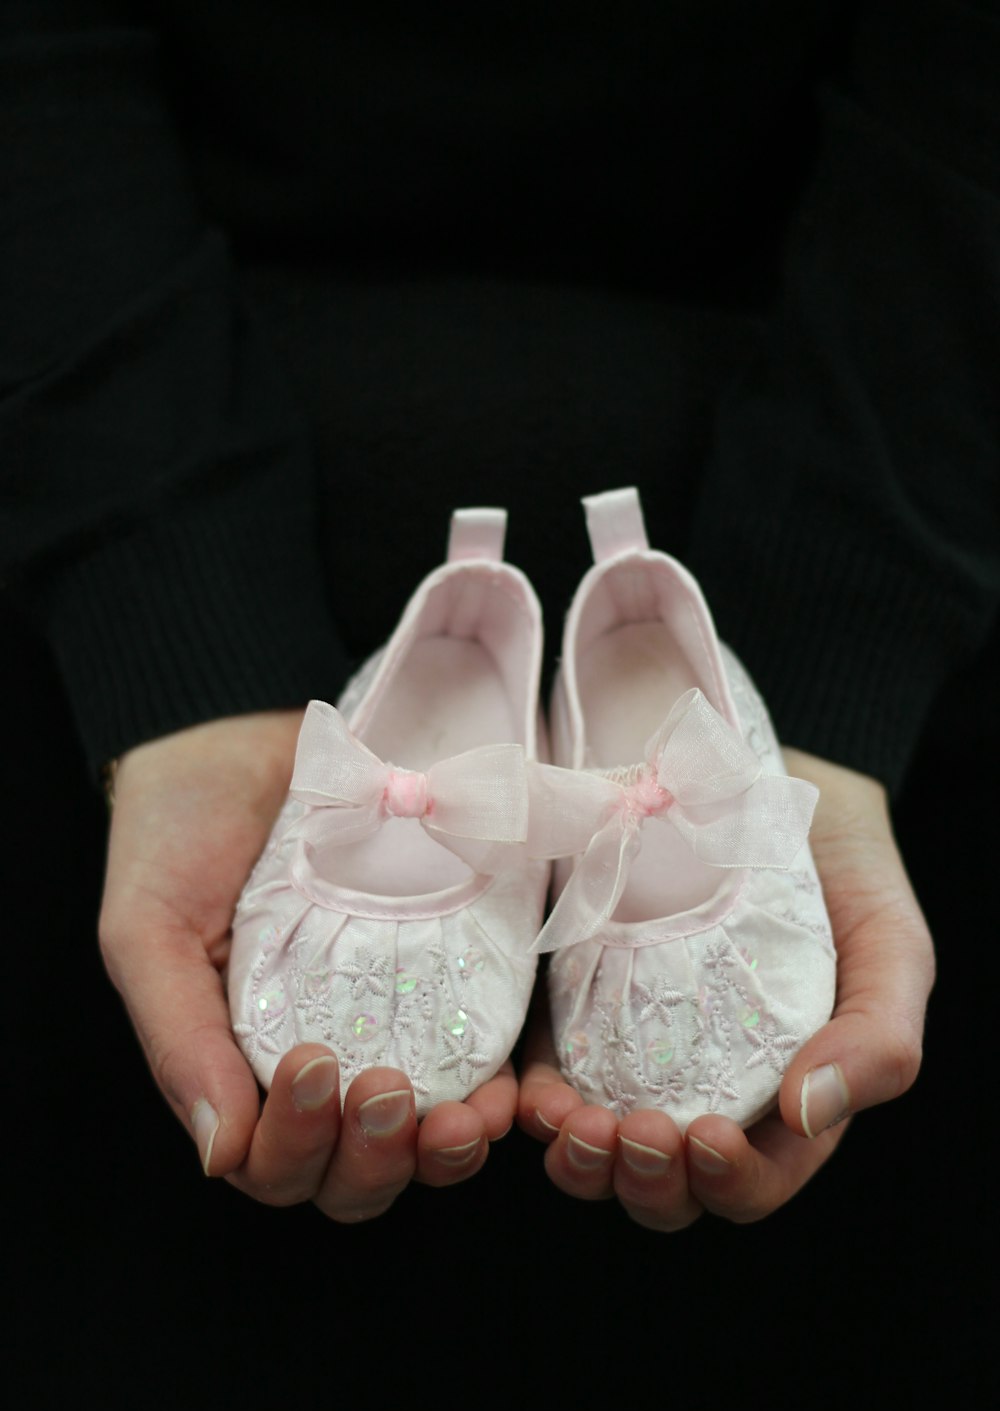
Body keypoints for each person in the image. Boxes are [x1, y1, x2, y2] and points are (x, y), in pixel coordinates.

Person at [3, 0, 997, 1231]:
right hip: (115, 495)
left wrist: (840, 658)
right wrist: (167, 646)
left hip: (880, 490)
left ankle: (672, 666)